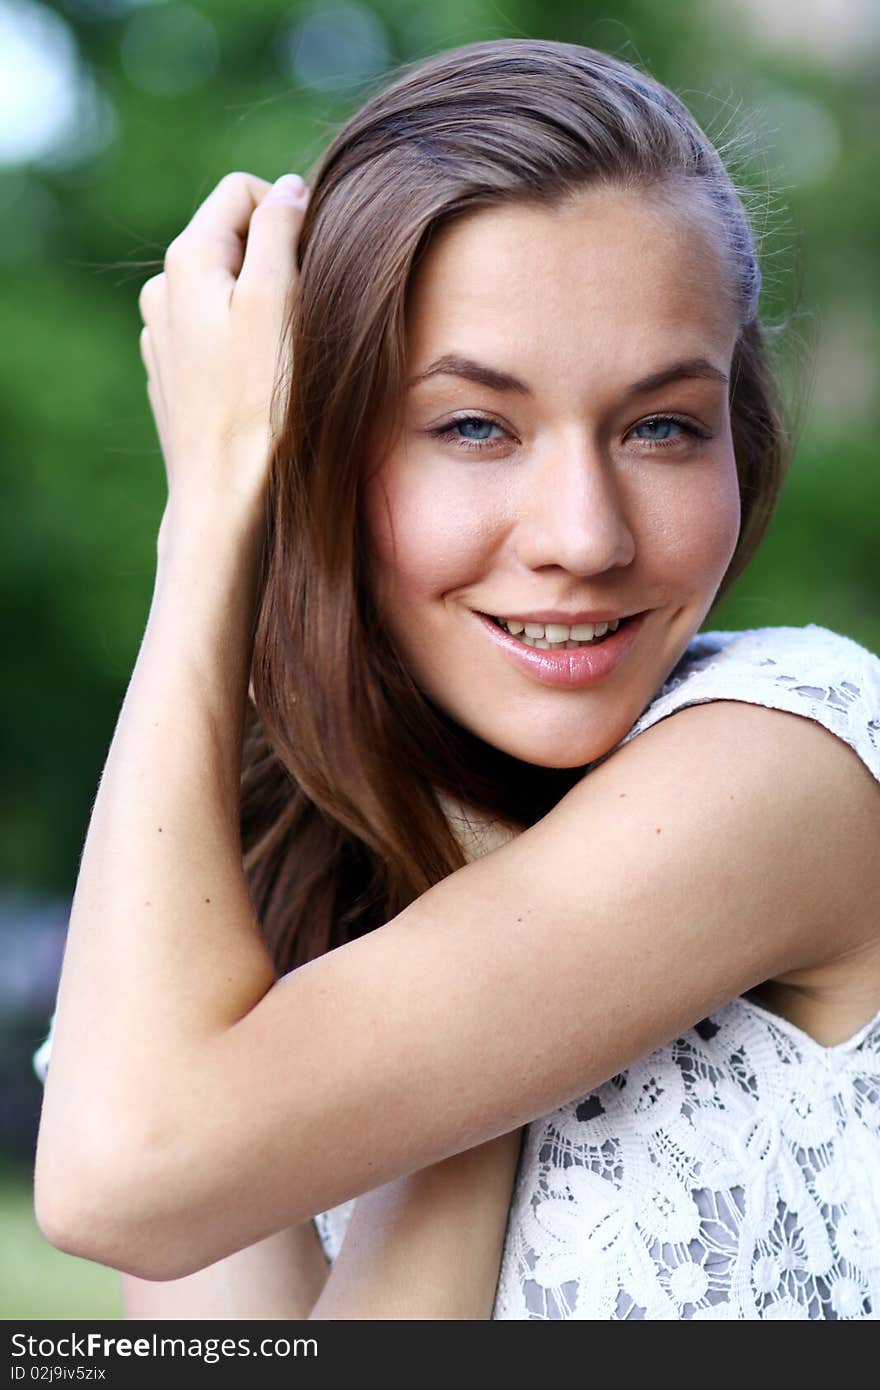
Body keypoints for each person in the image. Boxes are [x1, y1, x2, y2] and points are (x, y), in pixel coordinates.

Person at [32, 38, 880, 1320]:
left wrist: (207, 518)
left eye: (661, 425)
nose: (583, 535)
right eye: (473, 426)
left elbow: (121, 1176)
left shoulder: (787, 761)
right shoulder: (268, 875)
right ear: (311, 451)